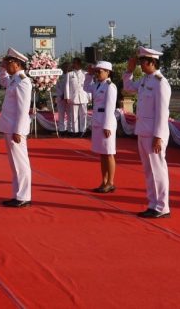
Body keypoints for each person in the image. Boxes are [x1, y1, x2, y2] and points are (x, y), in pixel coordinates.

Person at [123, 47, 172, 218]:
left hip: (154, 133)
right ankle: (153, 204)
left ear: (152, 62)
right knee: (149, 171)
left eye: (143, 61)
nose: (141, 64)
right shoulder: (145, 80)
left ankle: (162, 207)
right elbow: (128, 87)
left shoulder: (161, 83)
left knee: (158, 170)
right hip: (143, 131)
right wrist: (129, 71)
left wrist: (159, 136)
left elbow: (162, 112)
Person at [0, 48, 33, 207]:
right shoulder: (14, 79)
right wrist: (2, 68)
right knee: (15, 164)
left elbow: (23, 109)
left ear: (17, 64)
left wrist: (18, 130)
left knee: (21, 163)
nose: (6, 65)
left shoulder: (23, 81)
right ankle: (18, 195)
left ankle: (24, 196)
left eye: (8, 63)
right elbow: (3, 81)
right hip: (9, 127)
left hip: (15, 129)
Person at [89, 61, 118, 193]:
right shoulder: (97, 85)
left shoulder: (110, 87)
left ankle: (110, 182)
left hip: (106, 122)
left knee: (109, 153)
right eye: (96, 71)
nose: (97, 73)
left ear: (108, 72)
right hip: (97, 121)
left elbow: (110, 108)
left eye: (100, 71)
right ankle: (104, 181)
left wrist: (107, 126)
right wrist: (89, 75)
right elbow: (85, 87)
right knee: (102, 154)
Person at [67, 58, 90, 136]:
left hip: (84, 96)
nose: (74, 64)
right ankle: (75, 131)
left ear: (80, 64)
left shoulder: (85, 74)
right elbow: (67, 86)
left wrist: (90, 96)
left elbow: (89, 85)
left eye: (76, 63)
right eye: (73, 63)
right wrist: (67, 97)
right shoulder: (70, 74)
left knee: (84, 115)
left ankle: (83, 131)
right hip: (73, 97)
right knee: (74, 115)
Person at [54, 62, 70, 133]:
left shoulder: (71, 75)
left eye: (67, 67)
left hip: (69, 98)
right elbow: (57, 87)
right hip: (61, 98)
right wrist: (62, 95)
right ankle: (61, 129)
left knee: (70, 114)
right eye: (64, 67)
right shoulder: (59, 76)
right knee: (61, 114)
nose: (66, 68)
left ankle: (69, 129)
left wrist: (66, 95)